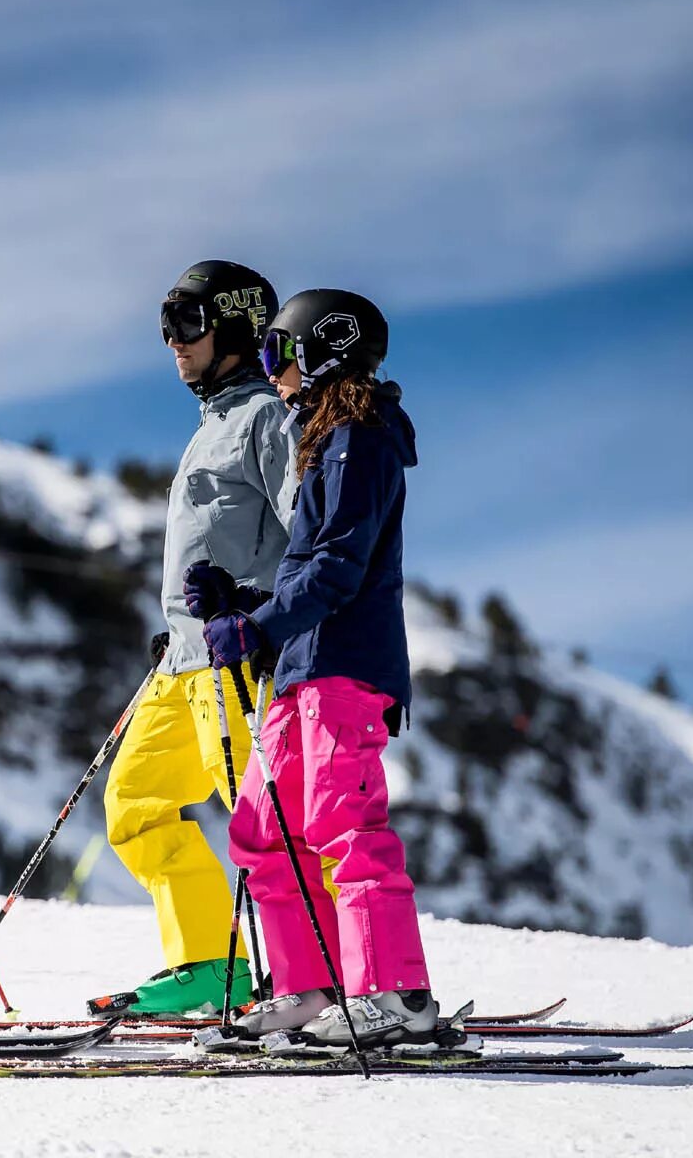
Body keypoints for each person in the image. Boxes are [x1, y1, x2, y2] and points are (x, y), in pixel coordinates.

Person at [191, 287, 438, 1047]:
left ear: (325, 350)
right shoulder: (326, 439)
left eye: (280, 353)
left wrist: (258, 623)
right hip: (299, 668)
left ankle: (394, 995)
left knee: (343, 824)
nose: (273, 372)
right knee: (264, 831)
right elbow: (314, 566)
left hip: (343, 667)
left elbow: (338, 566)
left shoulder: (359, 437)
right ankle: (311, 987)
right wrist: (245, 602)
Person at [89, 261, 294, 1018]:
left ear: (236, 330)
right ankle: (213, 964)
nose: (173, 344)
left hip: (238, 656)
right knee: (135, 804)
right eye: (166, 328)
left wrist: (259, 606)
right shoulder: (209, 429)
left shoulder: (269, 420)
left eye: (187, 325)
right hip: (182, 663)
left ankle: (337, 976)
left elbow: (309, 530)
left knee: (270, 821)